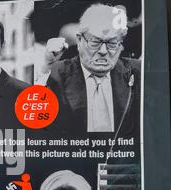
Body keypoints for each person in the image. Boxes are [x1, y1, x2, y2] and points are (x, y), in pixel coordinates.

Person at [36, 3, 141, 135]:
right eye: (95, 42)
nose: (103, 51)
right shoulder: (58, 73)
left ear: (121, 45)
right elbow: (37, 124)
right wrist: (46, 66)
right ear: (80, 40)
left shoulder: (136, 71)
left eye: (112, 43)